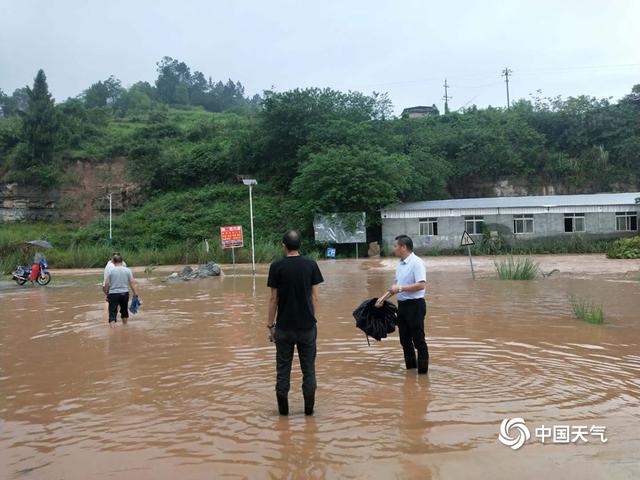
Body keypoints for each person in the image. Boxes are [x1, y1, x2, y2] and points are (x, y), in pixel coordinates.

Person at [267, 230, 324, 416]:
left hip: (283, 328)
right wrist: (314, 322)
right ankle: (309, 413)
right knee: (309, 371)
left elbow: (273, 299)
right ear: (300, 245)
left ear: (284, 246)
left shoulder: (276, 267)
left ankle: (283, 415)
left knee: (283, 371)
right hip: (307, 327)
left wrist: (270, 326)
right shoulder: (311, 265)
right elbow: (315, 298)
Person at [375, 235, 429, 374]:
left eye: (395, 246)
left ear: (403, 247)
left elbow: (421, 285)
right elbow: (396, 286)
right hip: (403, 306)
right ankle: (411, 372)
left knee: (418, 341)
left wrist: (399, 289)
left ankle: (423, 375)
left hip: (415, 305)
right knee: (404, 340)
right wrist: (382, 298)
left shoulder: (417, 262)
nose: (394, 249)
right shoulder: (400, 264)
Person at [103, 254, 137, 327]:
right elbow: (132, 282)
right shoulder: (128, 270)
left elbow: (107, 283)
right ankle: (125, 327)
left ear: (113, 262)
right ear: (122, 261)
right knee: (124, 311)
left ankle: (113, 331)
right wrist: (135, 293)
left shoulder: (110, 270)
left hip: (113, 294)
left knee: (112, 313)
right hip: (124, 293)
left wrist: (106, 293)